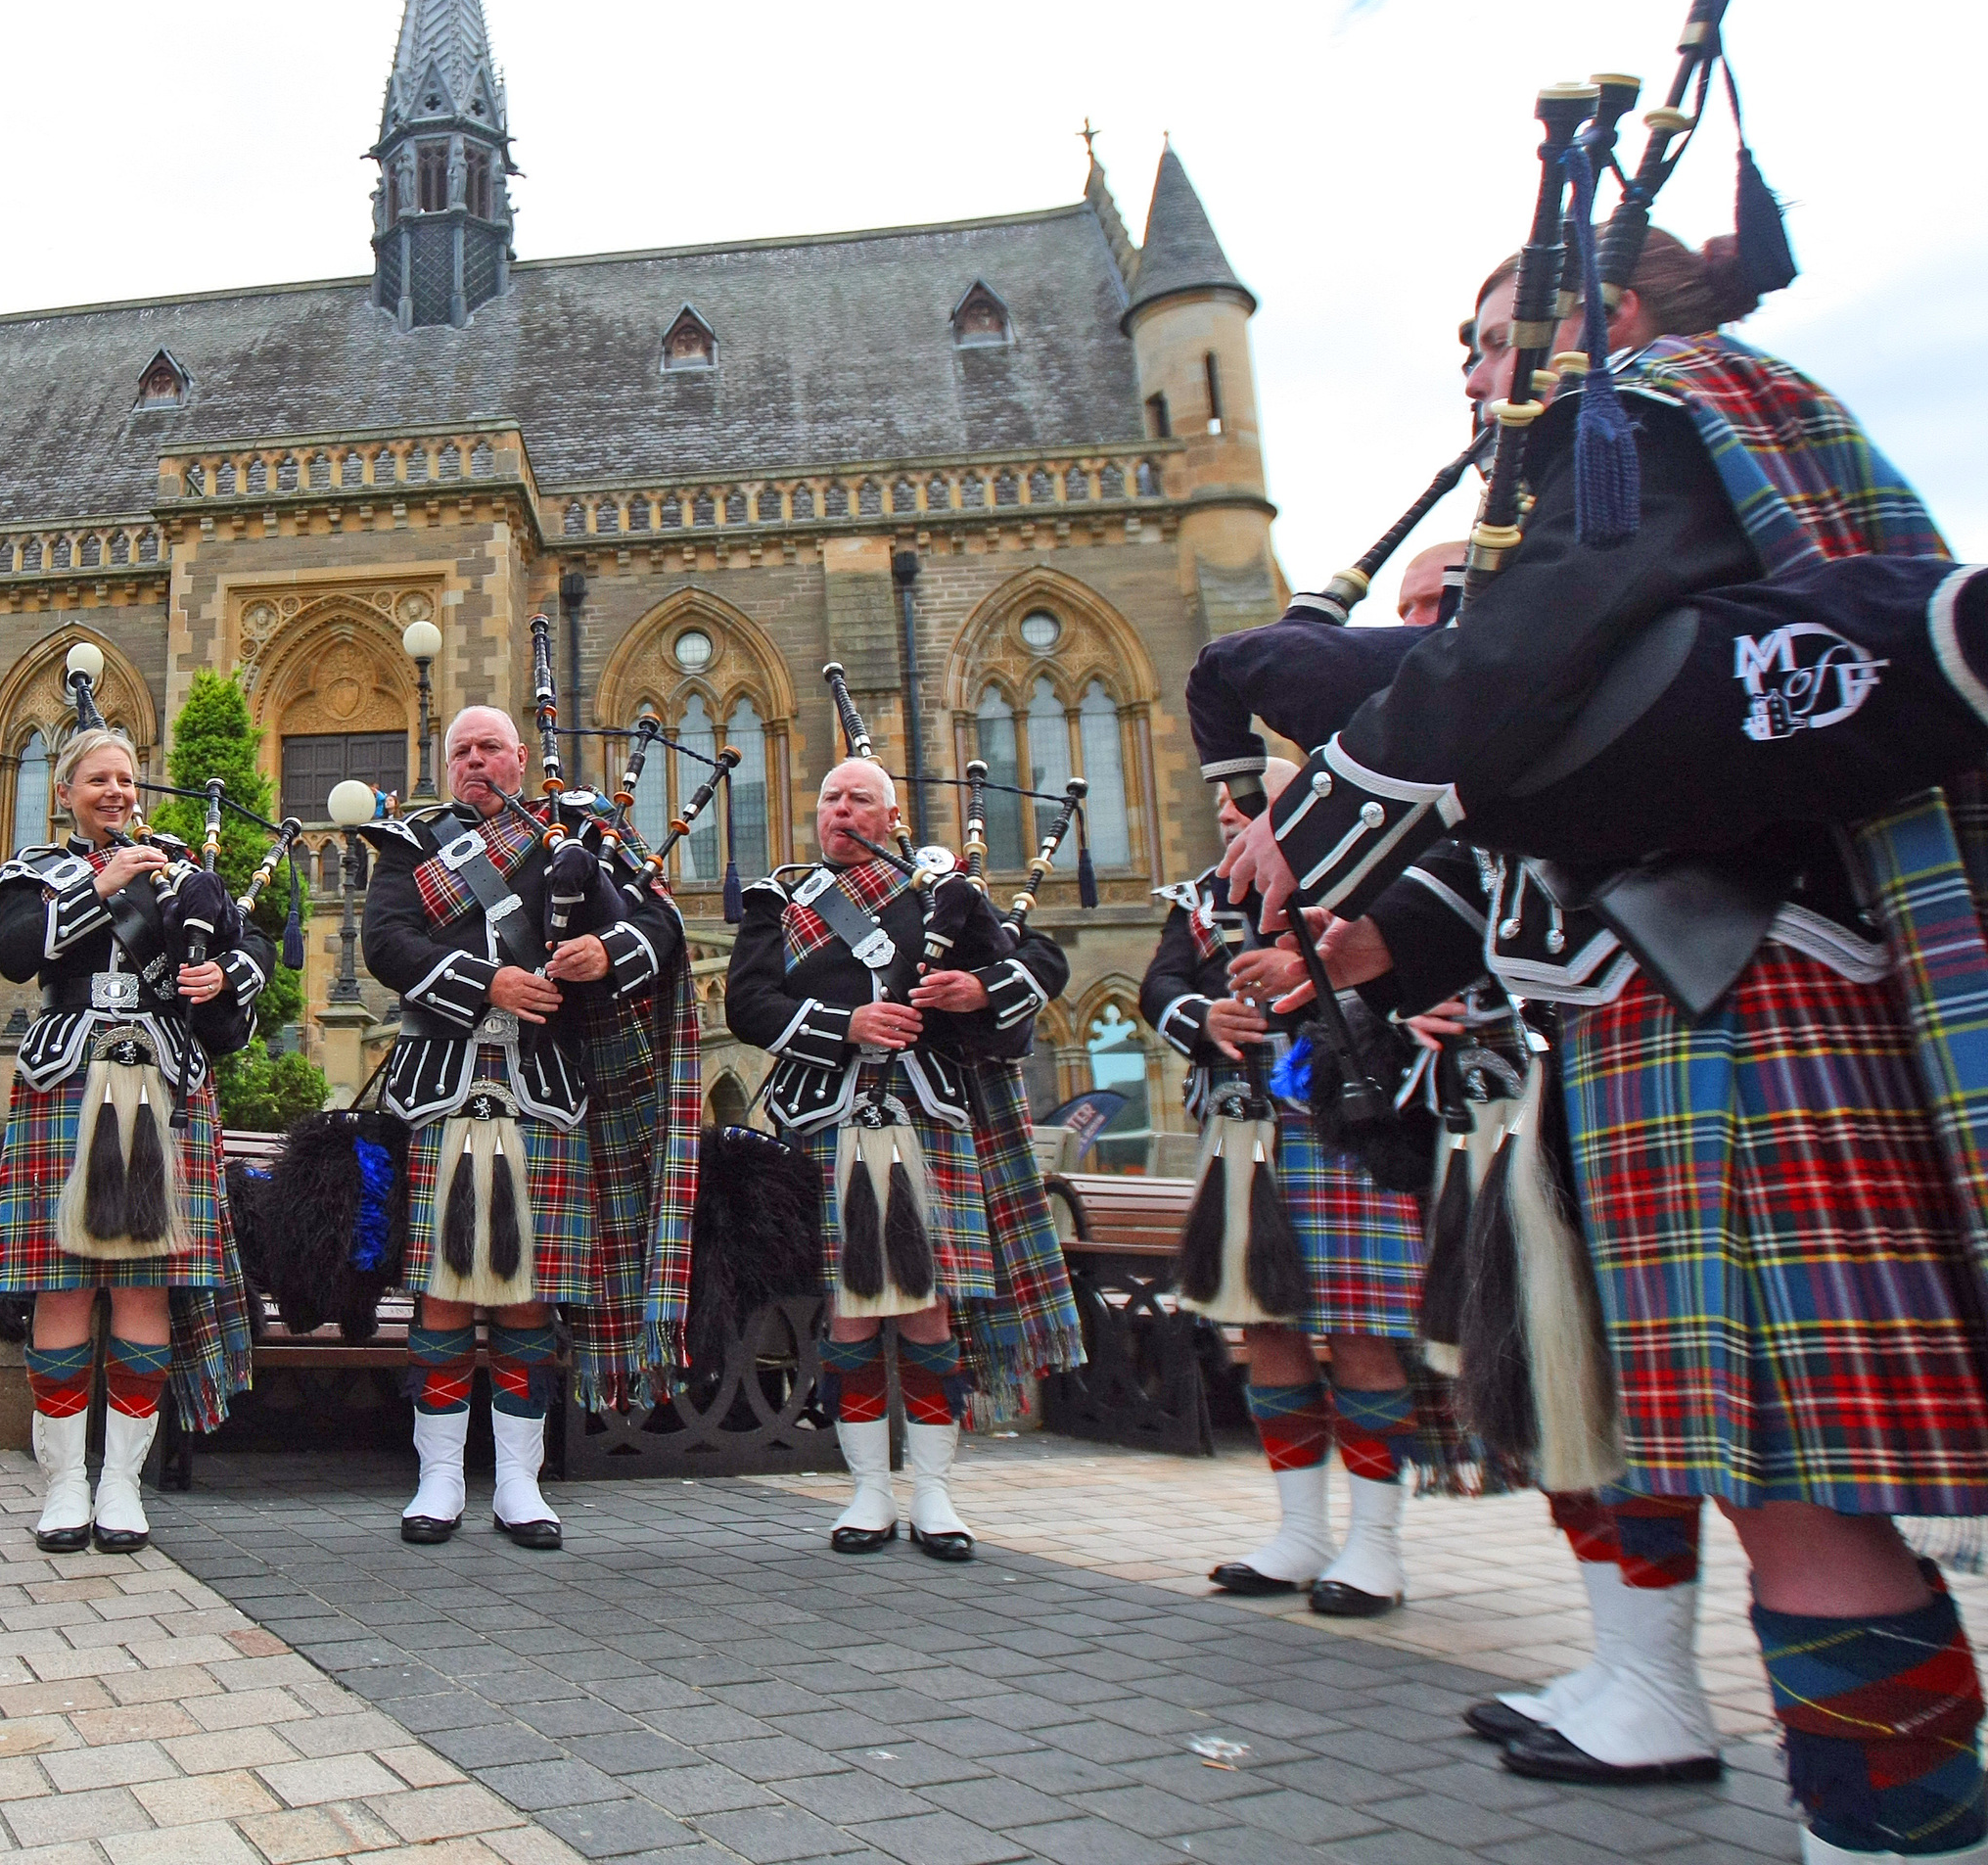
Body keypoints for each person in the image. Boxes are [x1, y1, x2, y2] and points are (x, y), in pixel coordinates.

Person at [1228, 228, 1988, 1862]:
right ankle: (1824, 1797)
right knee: (1757, 1464)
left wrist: (1348, 767)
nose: (1475, 373)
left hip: (1738, 998)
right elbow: (1565, 749)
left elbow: (1551, 683)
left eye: (1500, 337)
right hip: (1679, 1004)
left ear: (1611, 317)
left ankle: (1903, 1839)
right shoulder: (1674, 433)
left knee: (1797, 1477)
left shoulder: (1657, 405)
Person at [354, 705, 688, 1551]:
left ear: (520, 759)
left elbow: (658, 925)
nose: (476, 760)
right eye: (461, 749)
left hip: (543, 1087)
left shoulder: (572, 839)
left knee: (529, 1292)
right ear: (447, 763)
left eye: (490, 748)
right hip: (441, 1084)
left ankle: (516, 1482)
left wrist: (606, 951)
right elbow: (386, 944)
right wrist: (490, 982)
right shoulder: (410, 845)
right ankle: (436, 1478)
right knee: (440, 1288)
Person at [723, 759, 1051, 1558]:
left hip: (924, 1113)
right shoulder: (779, 901)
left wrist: (979, 990)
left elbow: (1040, 964)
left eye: (858, 799)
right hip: (828, 1118)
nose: (841, 809)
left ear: (891, 815)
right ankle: (869, 1492)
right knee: (850, 1309)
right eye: (830, 797)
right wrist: (848, 1025)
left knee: (928, 1309)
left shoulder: (944, 897)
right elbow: (748, 1003)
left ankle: (935, 1494)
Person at [1144, 759, 1432, 1619]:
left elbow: (1418, 972)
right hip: (1247, 1129)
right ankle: (1300, 1534)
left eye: (1250, 804)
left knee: (1364, 1330)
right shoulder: (1202, 899)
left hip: (1351, 1124)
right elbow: (1161, 984)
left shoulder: (1363, 879)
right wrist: (1201, 1018)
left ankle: (1376, 1545)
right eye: (1224, 808)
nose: (1231, 818)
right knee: (1266, 1325)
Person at [0, 726, 271, 1553]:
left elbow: (252, 945)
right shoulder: (38, 874)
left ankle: (122, 1485)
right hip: (68, 1077)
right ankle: (65, 1483)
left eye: (128, 778)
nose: (117, 791)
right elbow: (11, 955)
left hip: (164, 1079)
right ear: (65, 792)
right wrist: (101, 882)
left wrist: (226, 975)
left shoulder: (183, 868)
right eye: (98, 779)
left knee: (144, 1289)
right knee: (63, 1288)